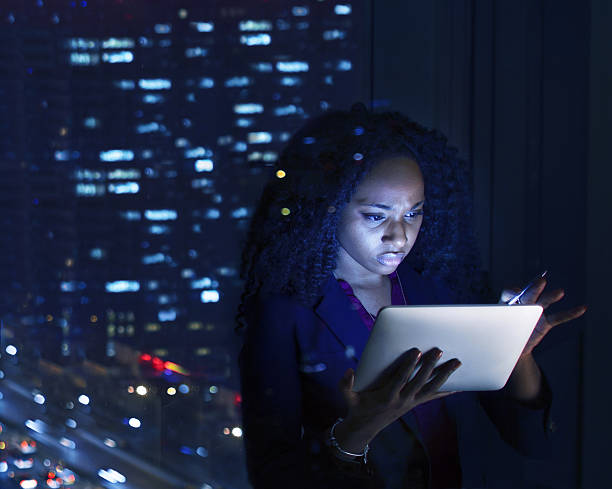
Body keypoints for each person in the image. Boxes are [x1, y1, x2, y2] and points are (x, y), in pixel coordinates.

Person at [236, 103, 586, 489]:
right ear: (329, 207)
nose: (399, 237)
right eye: (375, 215)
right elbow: (272, 474)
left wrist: (517, 356)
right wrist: (358, 430)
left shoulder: (437, 293)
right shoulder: (284, 315)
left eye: (413, 213)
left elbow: (534, 443)